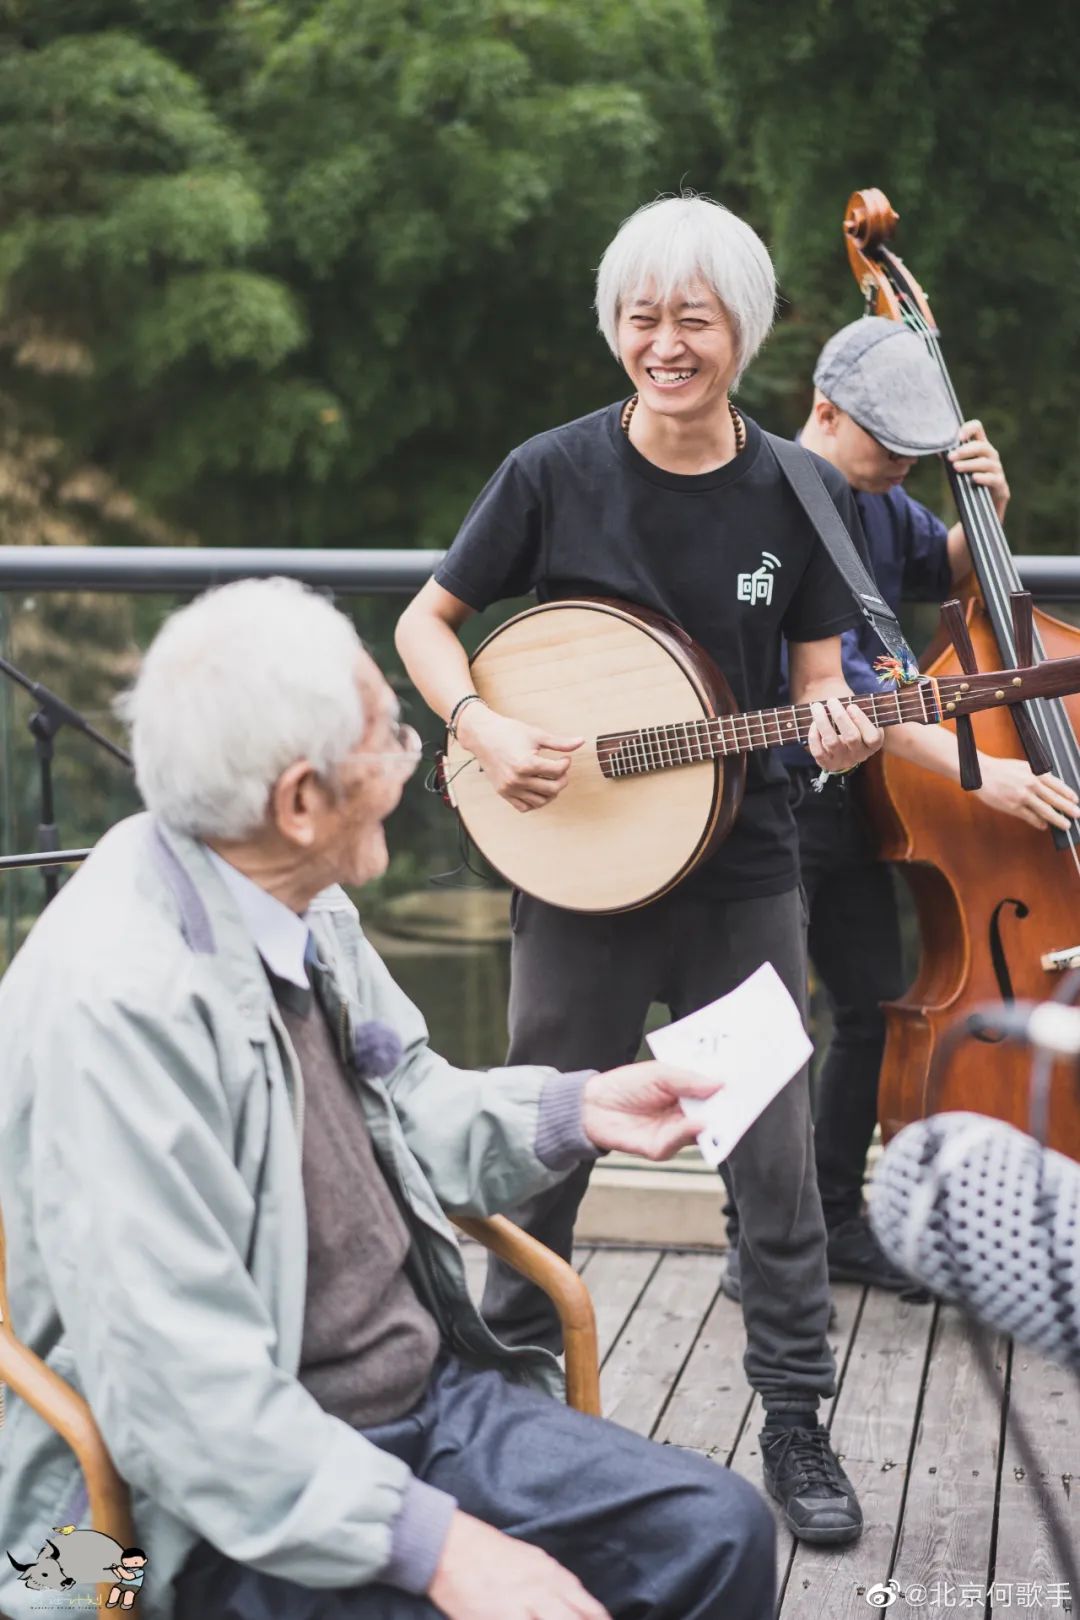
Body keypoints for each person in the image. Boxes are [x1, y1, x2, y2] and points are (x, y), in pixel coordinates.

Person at [0, 578, 775, 1620]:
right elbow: (188, 1412)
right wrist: (447, 1550)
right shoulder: (118, 1007)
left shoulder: (292, 897)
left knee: (718, 1531)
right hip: (177, 1520)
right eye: (388, 739)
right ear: (302, 801)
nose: (416, 763)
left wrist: (578, 1109)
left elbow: (403, 1095)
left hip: (415, 1405)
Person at [396, 194, 884, 1547]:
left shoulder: (799, 488)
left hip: (744, 879)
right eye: (642, 316)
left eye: (694, 318)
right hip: (578, 885)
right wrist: (482, 722)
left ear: (745, 330)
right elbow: (430, 622)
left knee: (771, 1161)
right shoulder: (550, 471)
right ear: (617, 326)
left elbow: (817, 700)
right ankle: (498, 1394)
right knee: (541, 1147)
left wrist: (841, 746)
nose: (665, 342)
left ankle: (797, 1418)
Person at [717, 316, 1080, 1302]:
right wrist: (980, 777)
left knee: (872, 1007)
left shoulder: (880, 500)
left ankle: (836, 1223)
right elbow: (865, 688)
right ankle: (751, 1241)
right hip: (765, 798)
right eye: (889, 450)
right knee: (762, 1027)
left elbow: (942, 573)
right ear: (825, 413)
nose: (901, 471)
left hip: (850, 802)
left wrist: (988, 509)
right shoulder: (767, 499)